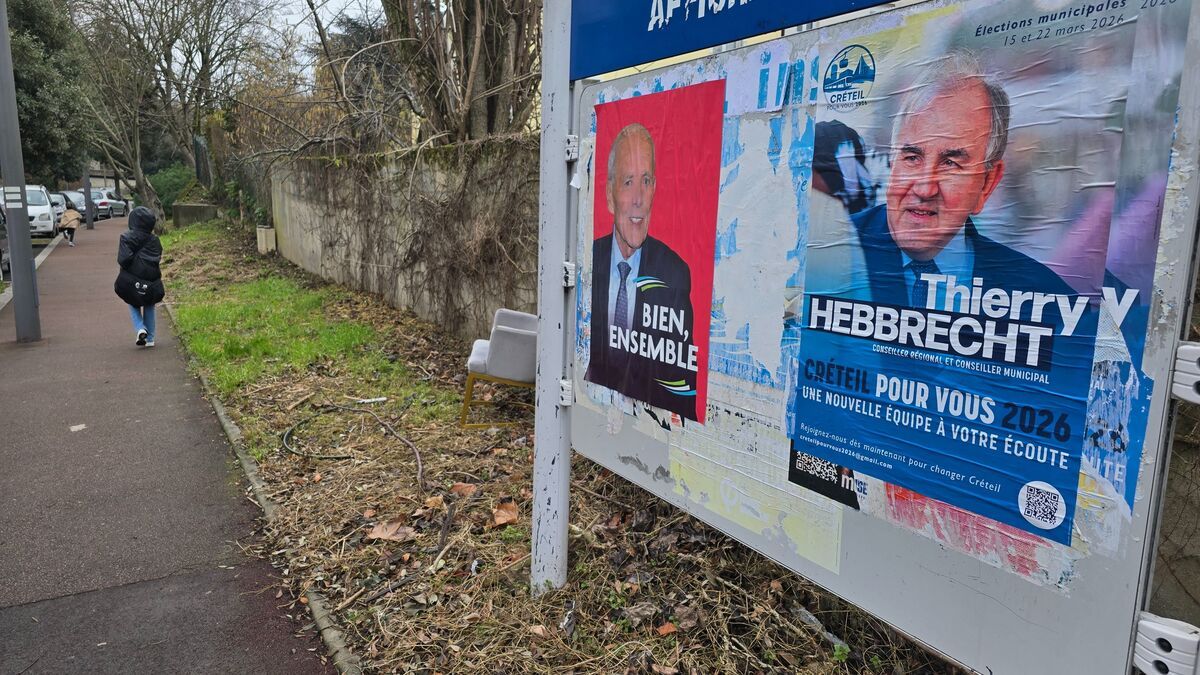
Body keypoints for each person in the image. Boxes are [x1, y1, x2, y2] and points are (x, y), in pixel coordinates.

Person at [851, 51, 1075, 314]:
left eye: (950, 164)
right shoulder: (827, 253)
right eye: (911, 158)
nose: (924, 188)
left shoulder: (1046, 300)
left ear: (987, 184)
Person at [587, 122, 697, 420]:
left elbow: (680, 390)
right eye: (628, 182)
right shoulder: (588, 260)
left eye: (646, 181)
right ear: (609, 195)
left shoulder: (674, 275)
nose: (638, 198)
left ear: (655, 190)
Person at [115, 206, 165, 347]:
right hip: (151, 277)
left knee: (132, 301)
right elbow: (158, 256)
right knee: (149, 304)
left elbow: (123, 259)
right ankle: (150, 339)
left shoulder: (126, 237)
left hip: (132, 277)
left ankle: (140, 328)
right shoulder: (155, 240)